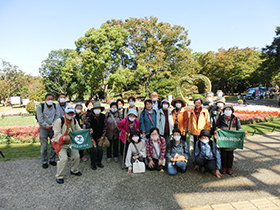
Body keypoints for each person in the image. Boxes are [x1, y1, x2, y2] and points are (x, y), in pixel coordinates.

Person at [53, 106, 91, 184]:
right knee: (64, 159)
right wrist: (64, 137)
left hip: (71, 142)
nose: (70, 114)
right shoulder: (59, 121)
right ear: (65, 113)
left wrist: (87, 131)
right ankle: (59, 176)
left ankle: (74, 170)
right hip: (61, 143)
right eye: (69, 113)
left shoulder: (74, 120)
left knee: (77, 156)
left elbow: (78, 131)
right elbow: (56, 134)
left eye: (72, 113)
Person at [215, 104, 247, 175]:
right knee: (223, 154)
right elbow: (216, 128)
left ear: (232, 111)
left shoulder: (235, 119)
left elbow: (239, 128)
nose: (228, 111)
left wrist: (243, 132)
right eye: (226, 109)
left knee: (230, 155)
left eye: (229, 110)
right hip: (223, 139)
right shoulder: (220, 119)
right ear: (224, 111)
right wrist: (216, 133)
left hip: (231, 139)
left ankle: (229, 167)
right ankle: (223, 167)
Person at [36, 93, 59, 169]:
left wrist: (53, 125)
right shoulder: (41, 107)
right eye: (48, 99)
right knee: (44, 146)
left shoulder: (55, 106)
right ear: (45, 99)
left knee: (53, 145)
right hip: (44, 129)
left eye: (51, 99)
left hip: (53, 128)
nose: (50, 101)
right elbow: (40, 118)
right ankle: (44, 161)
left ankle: (52, 159)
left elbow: (57, 116)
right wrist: (46, 126)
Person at [85, 101, 106, 170]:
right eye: (95, 108)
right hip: (92, 137)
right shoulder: (90, 117)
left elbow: (105, 127)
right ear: (93, 110)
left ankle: (99, 162)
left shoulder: (103, 116)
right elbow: (87, 129)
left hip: (100, 136)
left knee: (100, 149)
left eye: (98, 108)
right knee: (94, 150)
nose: (97, 110)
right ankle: (93, 163)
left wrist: (102, 138)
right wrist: (91, 139)